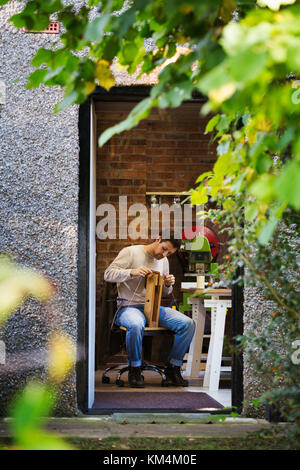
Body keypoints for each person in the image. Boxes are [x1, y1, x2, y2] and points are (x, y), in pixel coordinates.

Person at [104, 234, 195, 388]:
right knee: (135, 323)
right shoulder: (131, 252)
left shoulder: (163, 261)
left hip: (153, 308)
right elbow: (108, 274)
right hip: (128, 307)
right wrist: (131, 272)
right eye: (164, 249)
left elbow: (166, 292)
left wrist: (168, 284)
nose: (164, 255)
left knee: (188, 324)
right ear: (158, 239)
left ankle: (173, 368)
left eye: (169, 254)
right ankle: (135, 369)